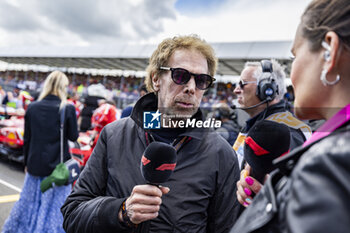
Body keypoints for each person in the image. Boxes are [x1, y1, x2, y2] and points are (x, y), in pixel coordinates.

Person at [61, 35, 241, 232]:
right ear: (156, 79)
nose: (191, 88)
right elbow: (72, 214)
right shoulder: (114, 136)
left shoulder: (221, 154)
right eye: (180, 76)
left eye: (201, 80)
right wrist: (121, 212)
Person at [230, 0, 350, 232]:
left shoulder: (331, 161)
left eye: (295, 56)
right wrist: (277, 196)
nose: (291, 75)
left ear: (329, 51)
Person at [2, 71, 79, 233]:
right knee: (53, 209)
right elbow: (73, 136)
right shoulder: (67, 108)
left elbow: (27, 139)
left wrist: (26, 163)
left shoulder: (33, 108)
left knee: (29, 203)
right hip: (57, 168)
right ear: (63, 87)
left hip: (35, 164)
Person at [232, 59, 312, 207]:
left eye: (242, 83)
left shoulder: (286, 130)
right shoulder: (255, 125)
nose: (236, 90)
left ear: (267, 89)